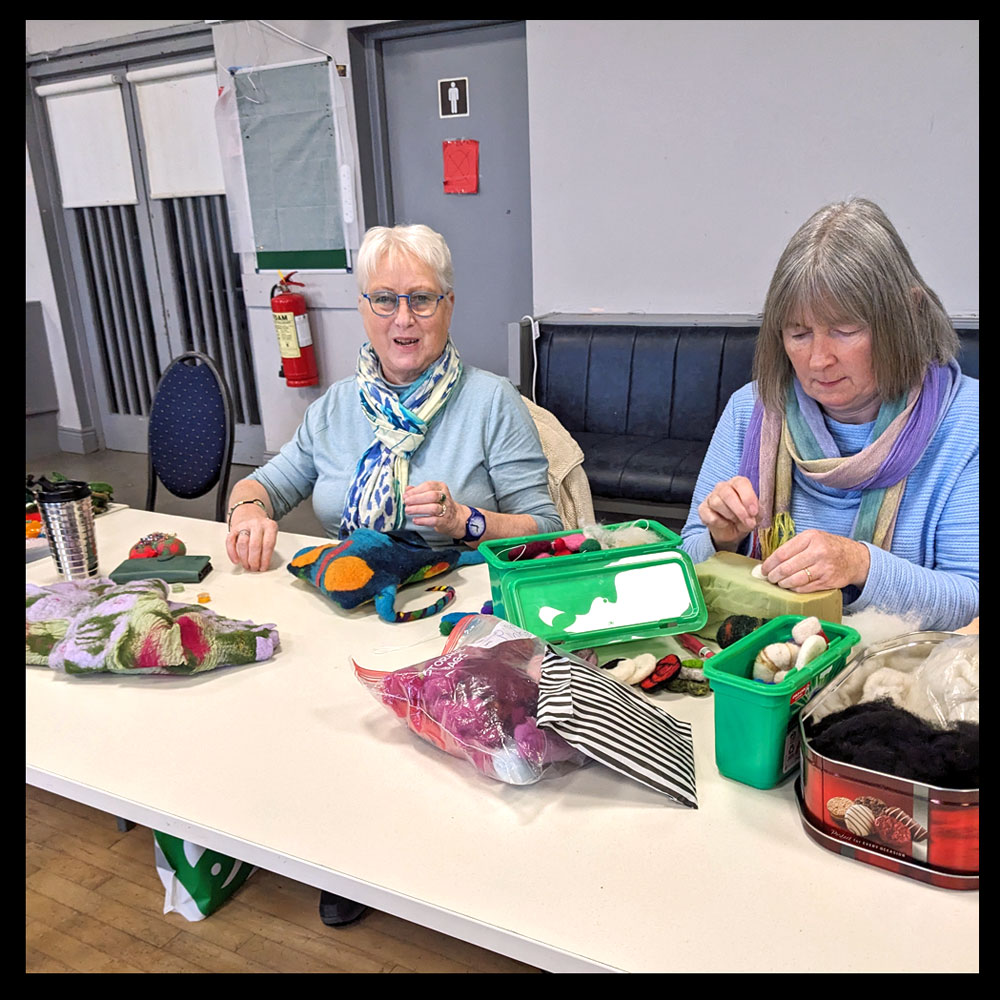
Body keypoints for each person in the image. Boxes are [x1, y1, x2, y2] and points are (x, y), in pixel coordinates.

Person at [681, 198, 978, 632]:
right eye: (799, 333)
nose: (818, 360)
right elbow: (686, 560)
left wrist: (859, 564)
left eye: (845, 330)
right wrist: (721, 538)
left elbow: (971, 598)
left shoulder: (966, 422)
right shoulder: (751, 409)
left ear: (907, 315)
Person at [225, 222, 562, 575]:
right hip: (349, 589)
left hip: (457, 591)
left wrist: (463, 520)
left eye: (422, 299)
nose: (403, 319)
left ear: (448, 306)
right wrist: (247, 514)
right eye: (384, 299)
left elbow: (547, 531)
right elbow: (262, 486)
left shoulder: (491, 402)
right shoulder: (334, 407)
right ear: (362, 306)